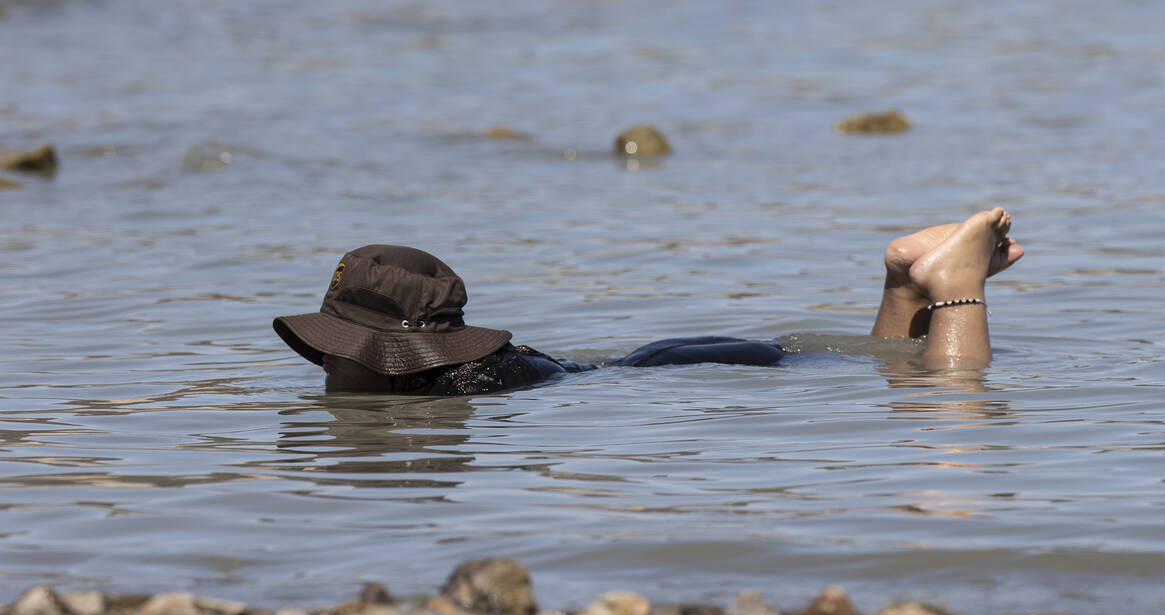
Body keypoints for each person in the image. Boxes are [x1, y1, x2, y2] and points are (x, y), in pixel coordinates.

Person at [274, 207, 1023, 395]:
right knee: (883, 369)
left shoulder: (436, 396)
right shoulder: (457, 380)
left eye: (340, 351)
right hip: (652, 364)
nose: (329, 365)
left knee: (949, 386)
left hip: (692, 371)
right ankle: (905, 281)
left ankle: (953, 289)